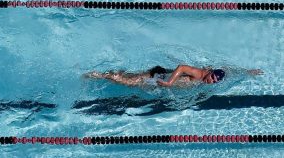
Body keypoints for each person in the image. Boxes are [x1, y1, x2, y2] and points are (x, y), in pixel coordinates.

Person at [84, 65, 262, 88]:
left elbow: (229, 72)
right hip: (159, 76)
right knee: (127, 82)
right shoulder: (200, 74)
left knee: (131, 78)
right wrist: (169, 82)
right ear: (209, 72)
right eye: (212, 78)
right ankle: (96, 75)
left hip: (158, 75)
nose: (211, 81)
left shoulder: (209, 77)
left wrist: (247, 73)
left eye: (215, 81)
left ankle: (110, 72)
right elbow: (182, 66)